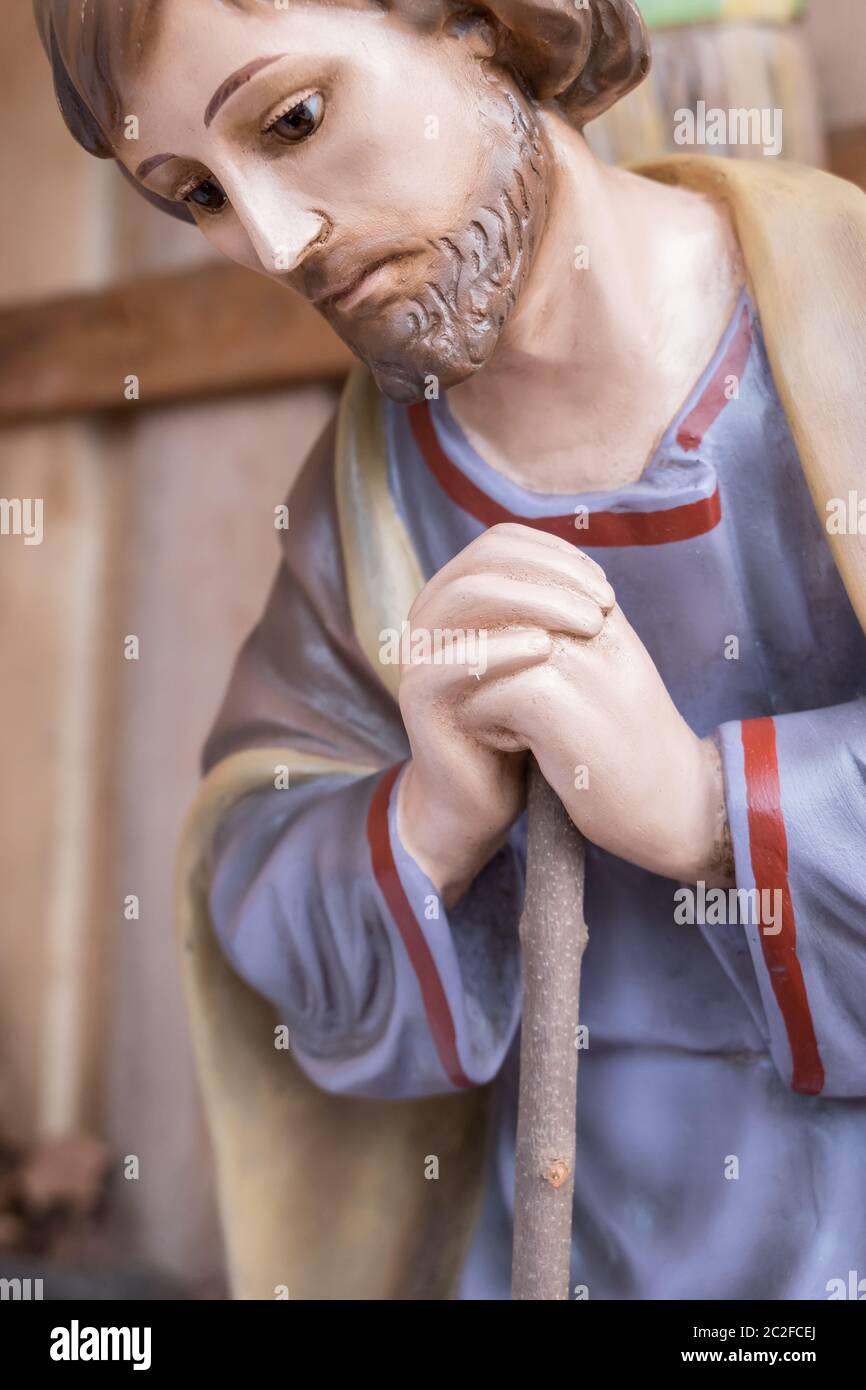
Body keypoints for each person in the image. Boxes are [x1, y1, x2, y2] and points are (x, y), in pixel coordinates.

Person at [36, 0, 866, 1299]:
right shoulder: (367, 495)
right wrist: (428, 822)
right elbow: (255, 845)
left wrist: (711, 810)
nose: (271, 240)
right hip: (552, 1241)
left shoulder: (842, 319)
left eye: (295, 120)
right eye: (192, 190)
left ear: (480, 22)